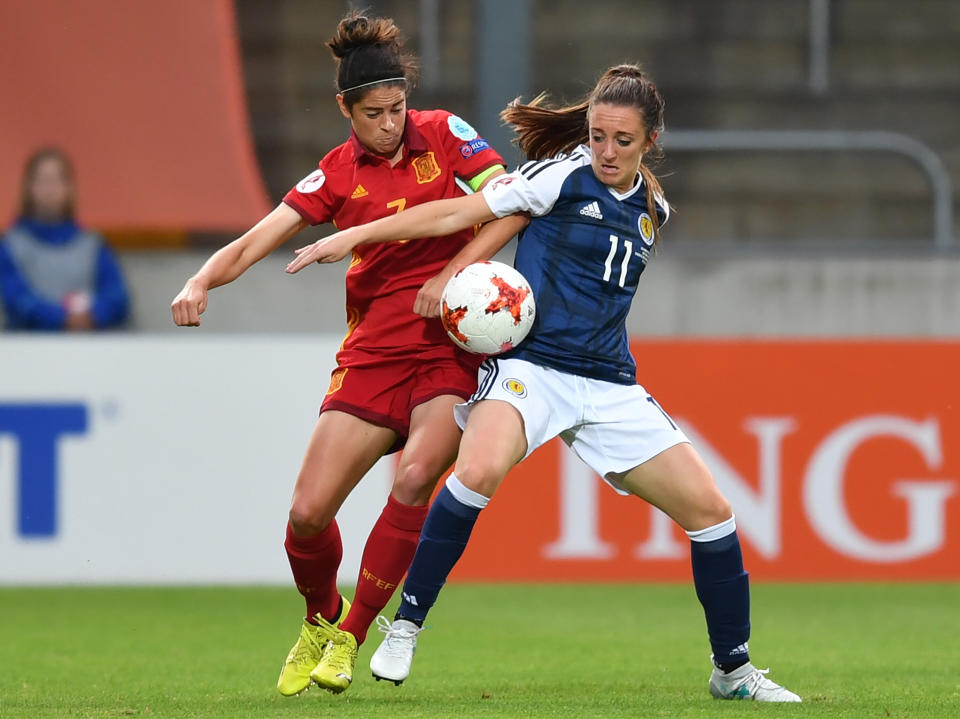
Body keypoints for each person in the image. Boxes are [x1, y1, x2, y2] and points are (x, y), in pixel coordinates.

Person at [286, 64, 802, 703]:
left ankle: (733, 671)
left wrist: (454, 272)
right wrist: (372, 239)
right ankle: (406, 625)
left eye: (622, 140)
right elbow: (462, 213)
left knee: (714, 514)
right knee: (474, 473)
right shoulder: (557, 174)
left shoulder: (653, 207)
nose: (606, 152)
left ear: (651, 140)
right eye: (597, 136)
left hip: (609, 382)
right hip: (532, 370)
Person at [171, 11, 525, 697]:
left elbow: (513, 205)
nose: (390, 123)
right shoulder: (336, 172)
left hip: (448, 344)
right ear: (346, 110)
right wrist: (198, 280)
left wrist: (451, 275)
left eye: (397, 108)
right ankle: (319, 615)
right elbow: (256, 239)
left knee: (416, 476)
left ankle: (352, 633)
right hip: (372, 353)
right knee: (307, 515)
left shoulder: (447, 133)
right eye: (374, 113)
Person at [0, 147, 129, 330]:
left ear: (70, 188)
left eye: (56, 180)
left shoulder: (93, 245)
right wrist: (61, 319)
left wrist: (93, 315)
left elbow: (117, 297)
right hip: (27, 351)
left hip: (87, 351)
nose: (49, 190)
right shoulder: (9, 246)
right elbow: (16, 300)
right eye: (41, 180)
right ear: (28, 187)